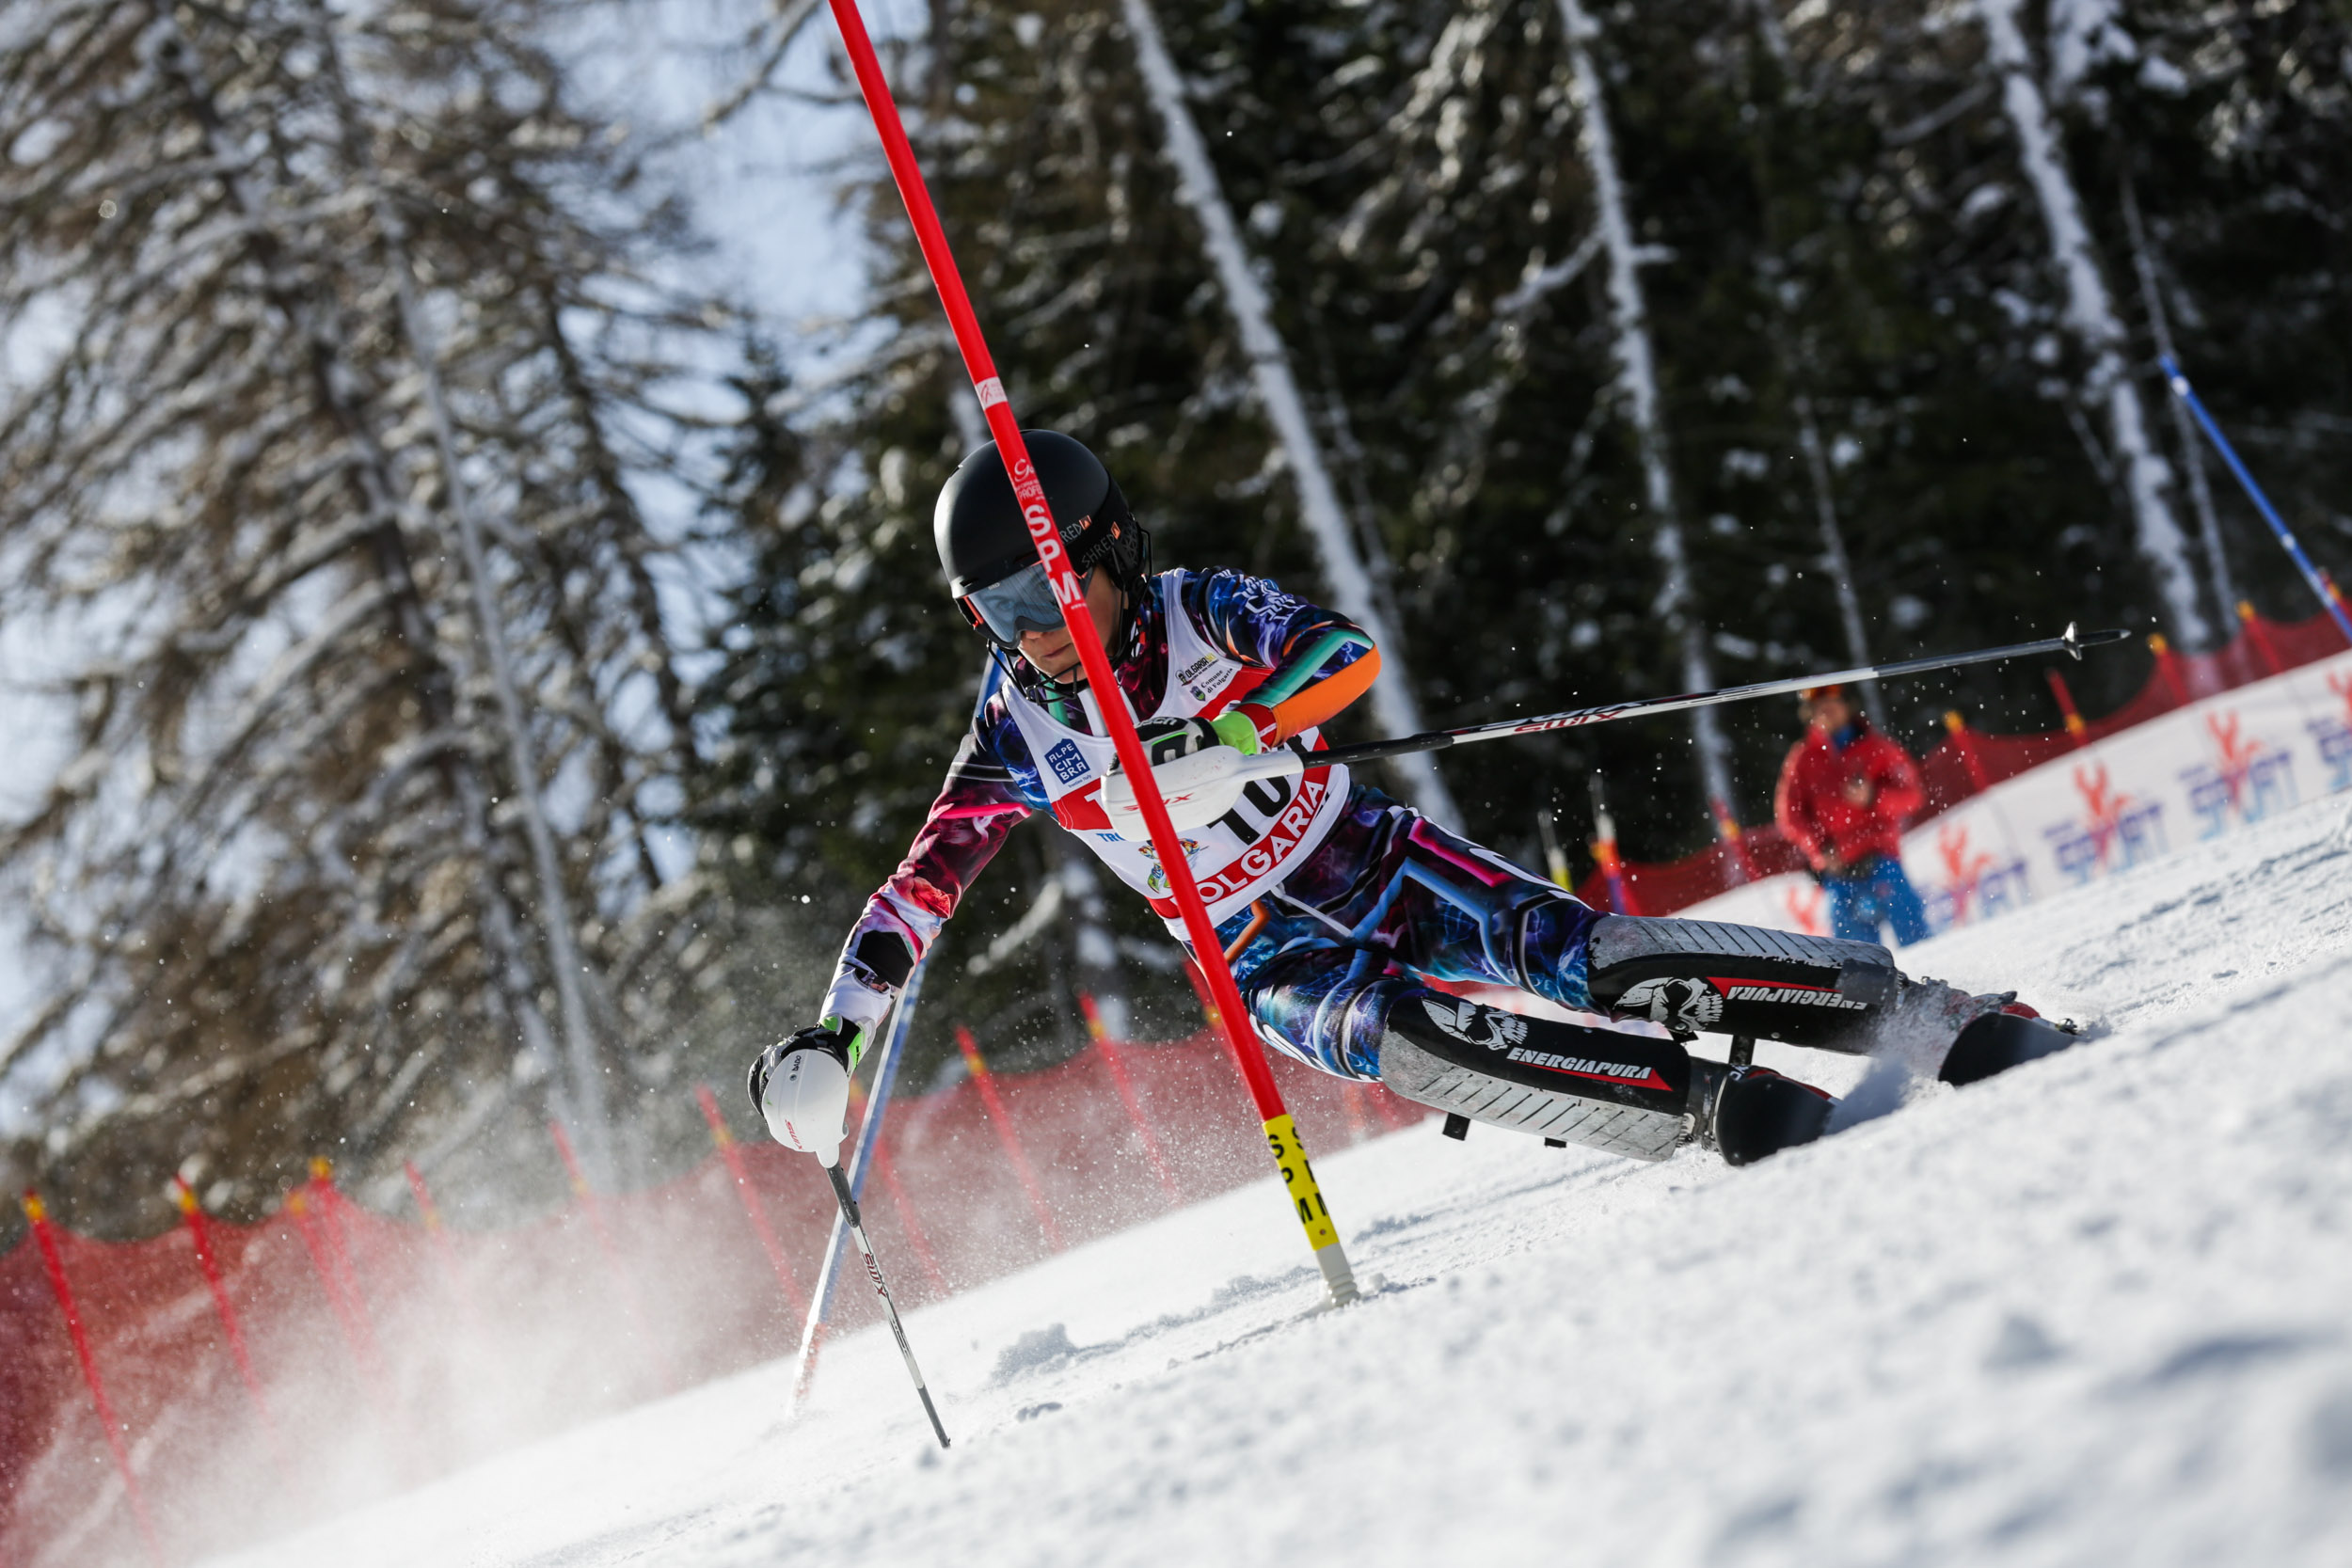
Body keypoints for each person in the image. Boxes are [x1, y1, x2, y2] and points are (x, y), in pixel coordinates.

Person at [751, 434, 2043, 1174]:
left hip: (1357, 845)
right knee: (1406, 1040)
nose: (1034, 634)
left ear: (1106, 552)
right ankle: (1702, 1105)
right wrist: (834, 1041)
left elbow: (1344, 653)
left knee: (1581, 954)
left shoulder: (1201, 606)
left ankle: (1929, 1017)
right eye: (999, 614)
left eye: (1047, 593)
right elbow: (919, 889)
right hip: (1260, 944)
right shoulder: (1016, 730)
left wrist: (1243, 727)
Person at [1772, 686, 1933, 946]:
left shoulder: (1879, 748)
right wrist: (1820, 848)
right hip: (1838, 873)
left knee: (1920, 943)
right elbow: (1789, 816)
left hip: (1882, 861)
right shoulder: (1802, 758)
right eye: (1818, 707)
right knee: (1857, 964)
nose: (1826, 712)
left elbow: (1912, 796)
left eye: (1832, 704)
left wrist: (1873, 797)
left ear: (1847, 705)